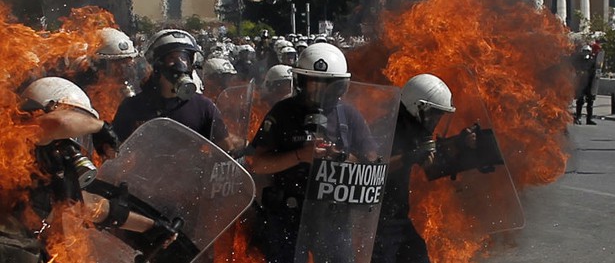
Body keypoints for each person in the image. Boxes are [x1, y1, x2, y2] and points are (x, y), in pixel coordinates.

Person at [1, 77, 178, 262]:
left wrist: (152, 227)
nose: (75, 141)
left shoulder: (54, 163)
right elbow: (57, 124)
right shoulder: (17, 138)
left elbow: (86, 205)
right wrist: (100, 127)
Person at [249, 43, 378, 263]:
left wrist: (340, 157)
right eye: (313, 84)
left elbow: (372, 163)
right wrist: (300, 156)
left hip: (333, 217)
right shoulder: (282, 112)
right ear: (301, 82)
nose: (319, 92)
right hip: (289, 214)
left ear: (340, 87)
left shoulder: (349, 116)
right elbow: (257, 164)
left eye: (327, 85)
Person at [371, 74, 477, 263]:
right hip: (374, 221)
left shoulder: (414, 131)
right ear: (417, 107)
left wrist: (460, 145)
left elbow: (433, 165)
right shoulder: (384, 128)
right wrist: (408, 157)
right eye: (434, 115)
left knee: (417, 255)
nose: (436, 121)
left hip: (397, 218)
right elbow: (371, 169)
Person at [112, 29, 232, 151]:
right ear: (157, 63)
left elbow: (225, 148)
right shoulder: (133, 106)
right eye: (172, 57)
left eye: (185, 58)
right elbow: (116, 150)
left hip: (189, 170)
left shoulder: (203, 107)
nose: (180, 64)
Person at [573, 45, 598, 125]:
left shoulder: (592, 60)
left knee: (590, 101)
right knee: (580, 101)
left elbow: (594, 71)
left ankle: (589, 119)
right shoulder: (579, 60)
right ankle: (578, 117)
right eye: (584, 51)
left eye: (587, 51)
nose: (585, 53)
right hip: (581, 83)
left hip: (589, 83)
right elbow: (575, 68)